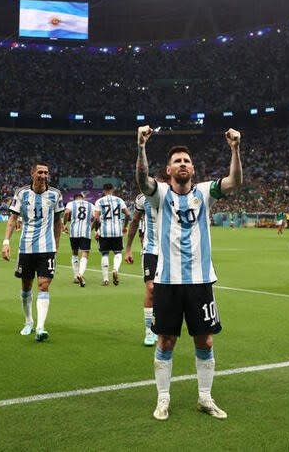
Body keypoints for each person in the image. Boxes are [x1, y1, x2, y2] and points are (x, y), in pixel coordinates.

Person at [136, 125, 243, 421]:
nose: (183, 164)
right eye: (177, 161)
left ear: (193, 168)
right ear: (168, 169)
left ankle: (205, 398)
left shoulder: (205, 192)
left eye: (187, 160)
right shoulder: (159, 194)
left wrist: (235, 148)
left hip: (200, 281)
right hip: (168, 281)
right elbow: (142, 182)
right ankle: (163, 399)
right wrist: (141, 146)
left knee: (205, 341)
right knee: (165, 341)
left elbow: (234, 182)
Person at [2, 163, 64, 342]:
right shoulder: (22, 193)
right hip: (26, 247)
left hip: (47, 248)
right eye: (40, 172)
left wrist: (56, 246)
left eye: (46, 173)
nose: (43, 176)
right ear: (32, 173)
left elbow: (58, 222)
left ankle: (40, 327)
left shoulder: (55, 194)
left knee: (44, 285)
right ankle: (28, 321)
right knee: (26, 287)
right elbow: (13, 219)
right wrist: (6, 242)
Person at [124, 169, 170, 347]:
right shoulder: (143, 198)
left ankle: (164, 323)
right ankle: (149, 330)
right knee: (151, 288)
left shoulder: (177, 195)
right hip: (151, 249)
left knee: (167, 291)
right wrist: (128, 248)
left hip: (171, 251)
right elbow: (134, 222)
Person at [93, 183, 130, 286]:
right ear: (113, 190)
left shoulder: (99, 201)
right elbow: (127, 214)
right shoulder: (119, 200)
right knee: (118, 253)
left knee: (105, 254)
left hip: (104, 232)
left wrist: (96, 231)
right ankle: (115, 269)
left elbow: (96, 218)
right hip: (117, 231)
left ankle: (105, 279)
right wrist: (125, 226)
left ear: (104, 191)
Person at [63, 193, 95, 287]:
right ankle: (80, 274)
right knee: (85, 253)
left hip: (74, 232)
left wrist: (64, 224)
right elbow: (96, 217)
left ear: (75, 198)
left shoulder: (71, 204)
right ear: (82, 198)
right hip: (86, 232)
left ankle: (75, 276)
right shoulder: (90, 205)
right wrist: (91, 226)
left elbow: (66, 213)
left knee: (75, 253)